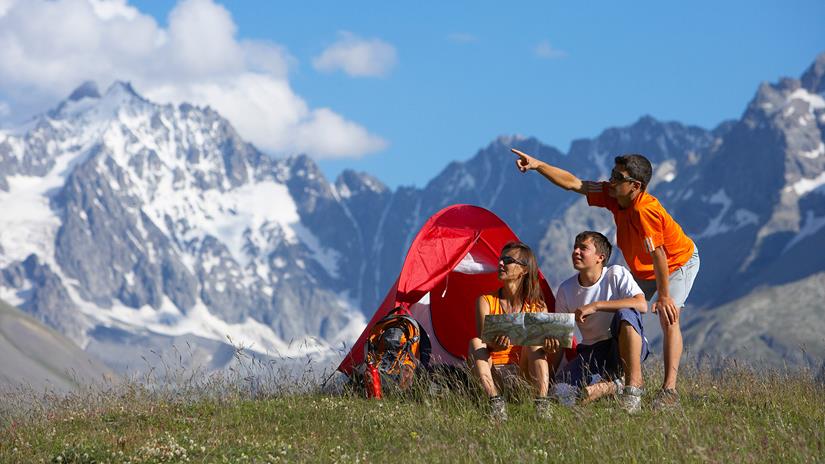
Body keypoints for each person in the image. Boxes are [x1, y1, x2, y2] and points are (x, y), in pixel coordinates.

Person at [511, 148, 700, 409]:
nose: (611, 180)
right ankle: (616, 379)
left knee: (668, 316)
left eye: (618, 177)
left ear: (635, 186)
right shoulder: (613, 195)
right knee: (621, 317)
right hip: (644, 268)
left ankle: (668, 391)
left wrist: (665, 296)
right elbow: (574, 184)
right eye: (612, 174)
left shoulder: (645, 211)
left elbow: (659, 255)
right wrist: (537, 165)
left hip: (676, 263)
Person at [548, 231, 648, 413]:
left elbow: (641, 304)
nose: (576, 251)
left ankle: (633, 390)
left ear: (599, 257)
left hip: (623, 345)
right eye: (575, 247)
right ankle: (613, 386)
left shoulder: (616, 274)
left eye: (583, 248)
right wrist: (550, 378)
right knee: (559, 391)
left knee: (626, 313)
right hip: (592, 352)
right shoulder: (566, 289)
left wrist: (596, 306)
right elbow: (560, 337)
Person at [467, 241, 556, 421]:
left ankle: (541, 403)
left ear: (523, 270)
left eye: (508, 260)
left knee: (535, 343)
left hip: (523, 374)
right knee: (475, 342)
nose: (501, 263)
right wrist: (495, 344)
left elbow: (544, 353)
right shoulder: (486, 301)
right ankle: (495, 402)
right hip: (495, 373)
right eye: (500, 259)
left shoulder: (538, 306)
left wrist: (550, 348)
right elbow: (485, 340)